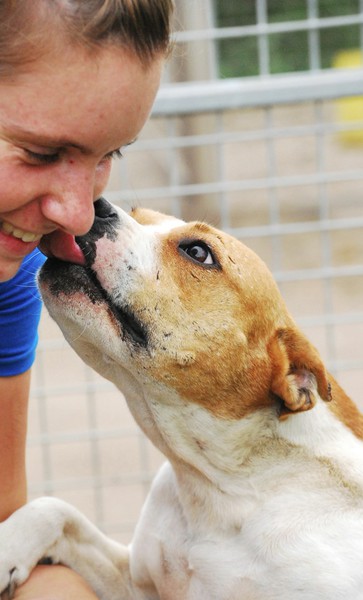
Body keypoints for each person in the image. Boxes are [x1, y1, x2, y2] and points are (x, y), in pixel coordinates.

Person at [0, 0, 174, 597]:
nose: (77, 218)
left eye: (108, 157)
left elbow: (5, 544)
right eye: (41, 153)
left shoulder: (8, 285)